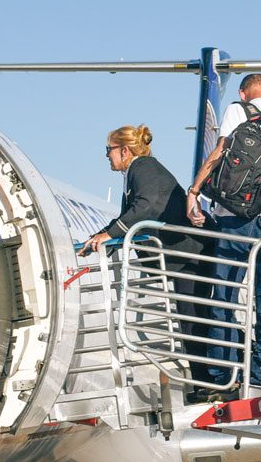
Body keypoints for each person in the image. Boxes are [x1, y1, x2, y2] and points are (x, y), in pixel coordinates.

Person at [186, 74, 261, 391]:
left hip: (233, 219)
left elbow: (219, 153)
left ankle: (223, 376)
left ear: (244, 93)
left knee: (224, 298)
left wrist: (194, 190)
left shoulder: (237, 112)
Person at [81, 125, 214, 388]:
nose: (107, 155)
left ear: (124, 150)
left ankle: (208, 380)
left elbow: (147, 205)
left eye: (109, 150)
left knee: (194, 318)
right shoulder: (138, 172)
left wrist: (111, 234)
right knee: (189, 319)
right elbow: (128, 215)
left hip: (189, 254)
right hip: (184, 256)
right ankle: (204, 381)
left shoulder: (144, 168)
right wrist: (100, 236)